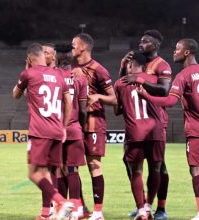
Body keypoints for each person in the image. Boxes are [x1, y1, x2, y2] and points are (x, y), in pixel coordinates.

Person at [136, 39, 199, 220]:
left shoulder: (184, 76)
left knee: (196, 170)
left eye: (178, 49)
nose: (174, 51)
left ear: (187, 52)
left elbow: (170, 101)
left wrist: (146, 96)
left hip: (197, 129)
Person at [12, 43, 74, 220]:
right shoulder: (60, 75)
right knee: (48, 173)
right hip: (56, 129)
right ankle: (47, 214)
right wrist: (64, 126)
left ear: (30, 59)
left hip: (39, 131)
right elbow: (68, 102)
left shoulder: (29, 73)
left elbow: (15, 95)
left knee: (33, 174)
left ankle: (61, 202)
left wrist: (26, 70)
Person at [120, 29, 171, 220]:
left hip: (156, 121)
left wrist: (140, 80)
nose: (141, 44)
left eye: (146, 41)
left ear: (156, 45)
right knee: (129, 162)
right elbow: (123, 82)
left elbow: (164, 91)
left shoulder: (162, 65)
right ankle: (141, 205)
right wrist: (124, 64)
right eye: (141, 41)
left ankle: (160, 208)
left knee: (159, 167)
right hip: (135, 121)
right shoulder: (137, 62)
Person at [72, 33, 117, 220]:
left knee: (94, 165)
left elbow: (114, 99)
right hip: (75, 124)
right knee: (71, 167)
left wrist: (98, 97)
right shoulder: (73, 69)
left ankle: (98, 212)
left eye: (74, 44)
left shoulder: (99, 70)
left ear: (83, 47)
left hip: (93, 124)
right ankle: (80, 208)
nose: (72, 47)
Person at [55, 43, 88, 219]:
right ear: (71, 55)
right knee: (73, 169)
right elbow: (83, 109)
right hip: (74, 128)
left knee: (59, 170)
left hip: (55, 129)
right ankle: (76, 210)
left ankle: (61, 208)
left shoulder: (51, 75)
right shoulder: (80, 77)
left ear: (56, 56)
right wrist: (80, 128)